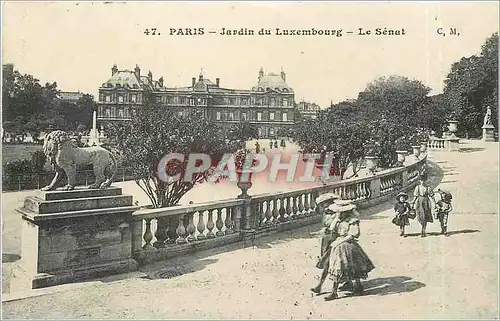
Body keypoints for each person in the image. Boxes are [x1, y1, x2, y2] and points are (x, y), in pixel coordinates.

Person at [322, 200, 375, 301]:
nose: (340, 213)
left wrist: (339, 242)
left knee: (352, 266)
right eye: (339, 212)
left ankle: (357, 287)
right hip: (338, 246)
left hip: (348, 245)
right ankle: (335, 291)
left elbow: (354, 234)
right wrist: (336, 219)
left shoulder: (352, 221)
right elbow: (332, 229)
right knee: (338, 267)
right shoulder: (339, 220)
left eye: (342, 212)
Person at [411, 173, 436, 238]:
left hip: (426, 202)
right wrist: (413, 203)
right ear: (419, 181)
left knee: (425, 216)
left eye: (424, 180)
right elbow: (415, 196)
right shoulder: (418, 187)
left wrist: (434, 203)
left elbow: (432, 196)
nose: (422, 181)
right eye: (421, 180)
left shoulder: (428, 188)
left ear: (426, 180)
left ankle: (423, 230)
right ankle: (423, 226)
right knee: (420, 216)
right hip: (419, 202)